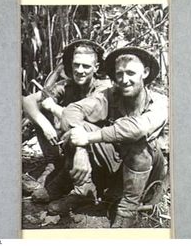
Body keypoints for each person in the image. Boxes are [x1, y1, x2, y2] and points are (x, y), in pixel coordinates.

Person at [49, 47, 168, 228]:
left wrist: (88, 138)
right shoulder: (110, 95)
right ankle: (84, 190)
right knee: (78, 129)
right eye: (119, 74)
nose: (124, 80)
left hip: (148, 172)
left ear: (145, 72)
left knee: (137, 142)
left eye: (130, 73)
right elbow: (73, 110)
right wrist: (80, 147)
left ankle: (128, 210)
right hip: (117, 165)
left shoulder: (160, 101)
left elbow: (136, 129)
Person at [22, 40, 111, 199]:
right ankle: (54, 164)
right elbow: (27, 101)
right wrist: (45, 125)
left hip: (98, 149)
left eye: (86, 66)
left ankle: (83, 186)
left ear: (95, 68)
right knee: (41, 110)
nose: (80, 70)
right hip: (72, 146)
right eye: (76, 65)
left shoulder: (103, 88)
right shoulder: (67, 85)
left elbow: (80, 120)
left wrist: (55, 108)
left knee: (75, 123)